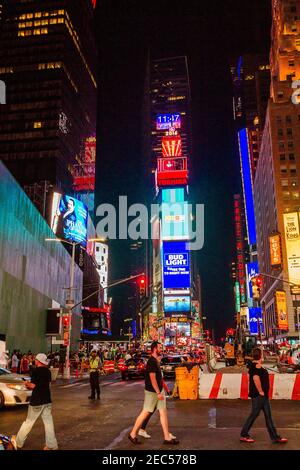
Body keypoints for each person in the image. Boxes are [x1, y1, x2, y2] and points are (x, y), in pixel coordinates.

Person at [128, 341, 179, 445]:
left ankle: (167, 437)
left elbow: (159, 378)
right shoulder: (151, 361)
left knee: (163, 413)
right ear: (155, 349)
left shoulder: (156, 361)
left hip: (159, 391)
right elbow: (152, 378)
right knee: (145, 412)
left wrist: (162, 390)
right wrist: (158, 392)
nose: (162, 349)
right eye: (160, 347)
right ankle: (133, 434)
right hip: (152, 392)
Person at [11, 353, 58, 450]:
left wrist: (26, 383)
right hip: (47, 400)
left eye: (35, 360)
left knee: (28, 422)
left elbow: (33, 386)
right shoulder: (48, 371)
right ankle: (51, 445)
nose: (34, 361)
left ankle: (18, 442)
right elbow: (45, 384)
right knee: (48, 423)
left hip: (37, 401)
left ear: (38, 361)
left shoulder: (36, 371)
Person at [240, 348, 288, 444]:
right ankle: (244, 435)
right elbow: (255, 379)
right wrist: (261, 391)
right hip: (259, 396)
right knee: (255, 415)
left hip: (262, 396)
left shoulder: (254, 366)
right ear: (260, 356)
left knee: (266, 416)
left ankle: (275, 437)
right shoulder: (257, 366)